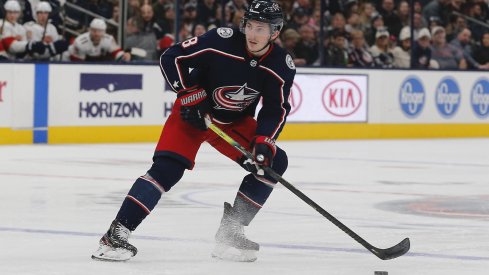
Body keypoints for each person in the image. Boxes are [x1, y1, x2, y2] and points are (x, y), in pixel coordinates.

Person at [92, 0, 295, 263]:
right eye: (250, 26)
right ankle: (115, 235)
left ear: (275, 32)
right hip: (193, 113)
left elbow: (275, 110)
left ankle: (230, 233)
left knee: (274, 162)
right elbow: (170, 56)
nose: (253, 34)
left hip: (232, 123)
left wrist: (264, 141)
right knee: (167, 170)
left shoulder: (281, 65)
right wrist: (190, 94)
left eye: (261, 29)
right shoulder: (220, 40)